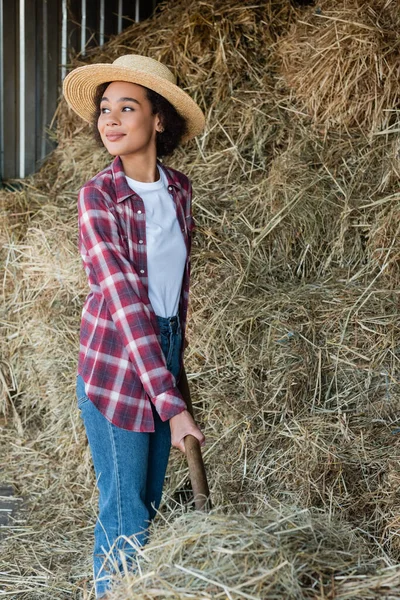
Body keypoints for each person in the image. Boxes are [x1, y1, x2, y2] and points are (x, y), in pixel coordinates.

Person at [63, 54, 206, 599]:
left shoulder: (179, 191)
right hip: (118, 360)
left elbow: (176, 295)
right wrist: (171, 405)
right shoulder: (97, 196)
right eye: (105, 109)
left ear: (159, 118)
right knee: (125, 513)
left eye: (128, 107)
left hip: (162, 351)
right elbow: (124, 302)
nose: (111, 120)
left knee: (144, 505)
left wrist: (175, 373)